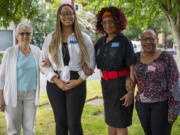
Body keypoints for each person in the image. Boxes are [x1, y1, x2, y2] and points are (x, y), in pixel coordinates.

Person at [40, 4, 95, 135]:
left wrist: (79, 80)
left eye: (70, 13)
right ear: (59, 17)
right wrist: (56, 80)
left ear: (74, 16)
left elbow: (91, 64)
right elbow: (42, 63)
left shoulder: (83, 37)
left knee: (74, 123)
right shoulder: (50, 38)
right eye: (63, 14)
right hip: (55, 82)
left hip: (76, 81)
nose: (67, 16)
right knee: (60, 123)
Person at [95, 6, 136, 135]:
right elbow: (88, 57)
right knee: (110, 121)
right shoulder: (101, 42)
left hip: (121, 85)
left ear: (117, 22)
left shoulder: (124, 41)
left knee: (120, 123)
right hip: (106, 85)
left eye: (111, 21)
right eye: (104, 22)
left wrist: (130, 92)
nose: (107, 25)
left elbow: (132, 67)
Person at [134, 28, 180, 135]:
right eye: (144, 39)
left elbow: (175, 82)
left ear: (157, 40)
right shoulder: (135, 57)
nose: (148, 42)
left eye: (151, 39)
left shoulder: (166, 57)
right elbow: (130, 76)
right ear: (141, 41)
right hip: (142, 105)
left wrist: (174, 109)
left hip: (161, 105)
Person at [0, 20, 41, 135]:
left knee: (29, 128)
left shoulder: (37, 51)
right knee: (13, 128)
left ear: (31, 36)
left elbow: (44, 67)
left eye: (27, 33)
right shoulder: (10, 52)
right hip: (13, 94)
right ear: (17, 36)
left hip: (31, 95)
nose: (25, 36)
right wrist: (1, 98)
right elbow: (1, 77)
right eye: (22, 33)